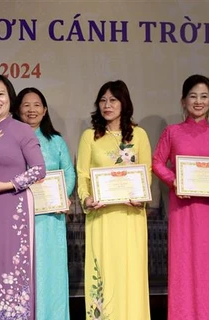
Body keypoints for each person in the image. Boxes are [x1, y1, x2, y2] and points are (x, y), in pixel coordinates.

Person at [153, 74, 209, 320]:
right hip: (183, 210)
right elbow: (157, 162)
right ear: (183, 101)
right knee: (184, 267)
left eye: (204, 97)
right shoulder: (173, 132)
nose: (198, 101)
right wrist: (175, 181)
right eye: (193, 96)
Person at [0, 75, 46, 320]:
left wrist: (8, 185)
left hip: (13, 207)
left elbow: (38, 169)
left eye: (0, 94)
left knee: (11, 267)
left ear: (10, 97)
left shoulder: (22, 130)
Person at [77, 80, 151, 320]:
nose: (107, 105)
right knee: (104, 274)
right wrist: (86, 199)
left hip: (130, 217)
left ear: (124, 103)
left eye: (113, 100)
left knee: (130, 274)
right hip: (102, 218)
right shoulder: (90, 136)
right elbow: (83, 174)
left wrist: (141, 197)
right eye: (103, 100)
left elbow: (146, 172)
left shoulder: (139, 135)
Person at [14, 87, 75, 320]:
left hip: (51, 218)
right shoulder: (11, 138)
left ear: (45, 109)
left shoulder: (55, 141)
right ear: (18, 109)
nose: (31, 110)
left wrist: (63, 196)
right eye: (26, 105)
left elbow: (68, 173)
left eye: (37, 104)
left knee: (51, 271)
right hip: (20, 217)